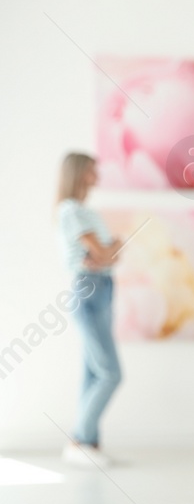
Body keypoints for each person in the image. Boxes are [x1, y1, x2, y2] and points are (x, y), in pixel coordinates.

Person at [56, 153, 123, 469]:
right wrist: (108, 251)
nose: (97, 173)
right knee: (111, 373)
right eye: (92, 169)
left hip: (104, 288)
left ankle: (90, 443)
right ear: (81, 173)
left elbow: (111, 254)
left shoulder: (86, 212)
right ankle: (80, 439)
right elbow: (105, 250)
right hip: (89, 289)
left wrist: (108, 252)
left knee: (94, 372)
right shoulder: (70, 210)